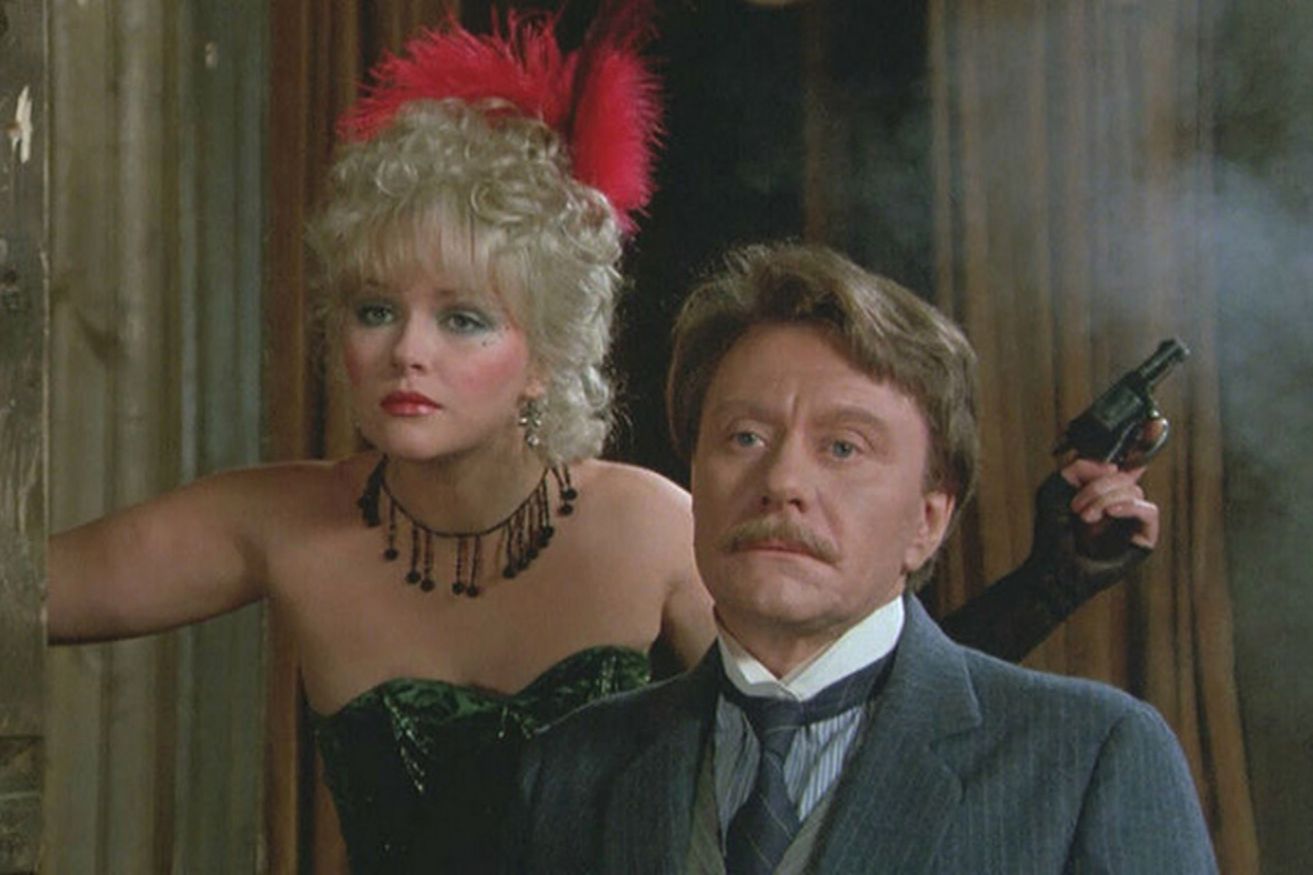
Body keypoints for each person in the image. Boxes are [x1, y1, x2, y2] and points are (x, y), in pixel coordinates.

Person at [48, 8, 1157, 875]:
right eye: (374, 309)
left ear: (544, 351)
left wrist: (1045, 582)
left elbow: (854, 728)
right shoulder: (275, 517)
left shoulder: (653, 526)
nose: (405, 352)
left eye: (463, 318)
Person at [502, 243, 1215, 874]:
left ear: (928, 520)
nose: (782, 480)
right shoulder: (571, 770)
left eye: (843, 447)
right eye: (745, 437)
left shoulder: (1087, 758)